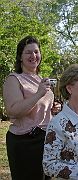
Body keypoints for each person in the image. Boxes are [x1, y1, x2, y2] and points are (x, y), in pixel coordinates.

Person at [3, 36, 60, 180]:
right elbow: (13, 110)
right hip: (25, 142)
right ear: (20, 57)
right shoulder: (14, 79)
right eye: (28, 52)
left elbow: (40, 109)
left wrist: (54, 109)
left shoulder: (40, 79)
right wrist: (39, 94)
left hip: (46, 140)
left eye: (36, 52)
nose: (33, 56)